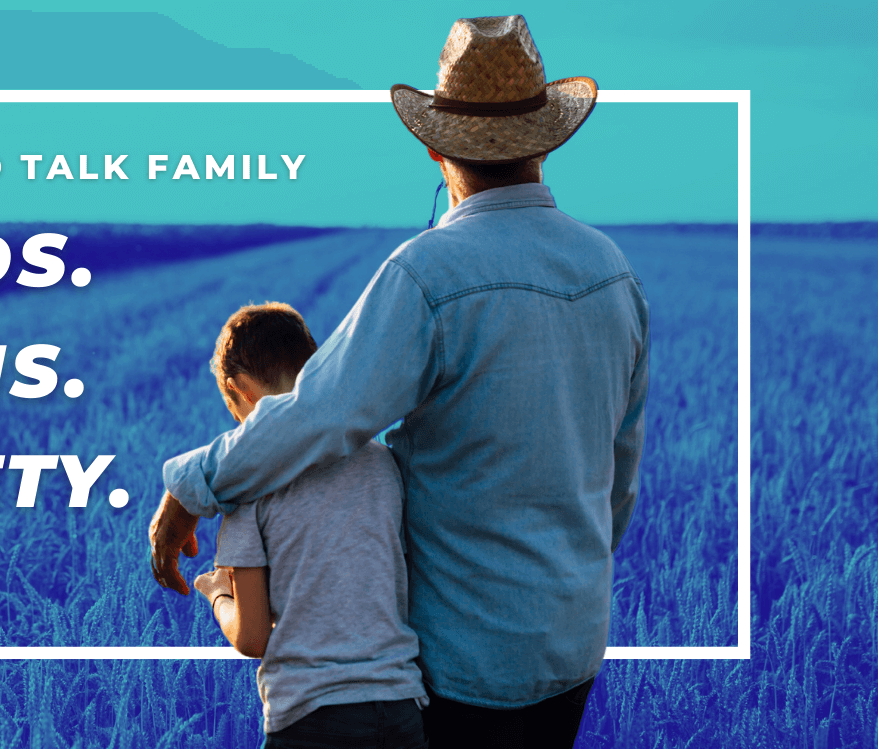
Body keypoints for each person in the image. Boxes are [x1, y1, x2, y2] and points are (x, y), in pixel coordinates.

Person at [148, 15, 649, 749]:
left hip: (459, 661)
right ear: (547, 138)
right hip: (571, 645)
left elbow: (319, 414)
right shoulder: (614, 275)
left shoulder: (428, 275)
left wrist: (189, 486)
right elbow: (618, 484)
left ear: (434, 144)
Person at [189, 302, 426, 748]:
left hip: (311, 717)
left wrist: (218, 593)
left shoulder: (246, 488)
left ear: (239, 390)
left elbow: (254, 637)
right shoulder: (381, 462)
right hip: (400, 707)